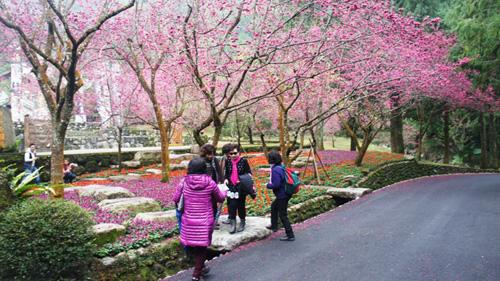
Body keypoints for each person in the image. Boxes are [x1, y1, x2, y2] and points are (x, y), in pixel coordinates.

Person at [173, 157, 227, 281]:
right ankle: (196, 275)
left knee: (193, 246)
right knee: (202, 248)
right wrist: (225, 192)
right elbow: (220, 198)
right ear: (204, 169)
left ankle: (200, 268)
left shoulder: (184, 182)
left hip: (188, 220)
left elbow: (175, 198)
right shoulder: (210, 182)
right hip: (205, 221)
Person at [266, 150, 295, 241]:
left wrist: (268, 185)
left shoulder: (275, 169)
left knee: (283, 214)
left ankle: (290, 235)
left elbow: (276, 184)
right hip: (286, 193)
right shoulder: (281, 166)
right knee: (274, 207)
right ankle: (274, 226)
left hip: (282, 195)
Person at [224, 144, 252, 234]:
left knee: (240, 205)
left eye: (235, 153)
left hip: (241, 187)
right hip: (231, 186)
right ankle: (233, 224)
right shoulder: (228, 161)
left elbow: (248, 173)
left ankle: (242, 222)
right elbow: (227, 173)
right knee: (231, 205)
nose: (232, 155)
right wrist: (226, 179)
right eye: (231, 154)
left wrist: (242, 180)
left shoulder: (243, 161)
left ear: (239, 152)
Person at [200, 144, 223, 229]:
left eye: (212, 154)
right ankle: (207, 222)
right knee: (206, 206)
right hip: (204, 187)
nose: (210, 156)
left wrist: (221, 182)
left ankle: (213, 222)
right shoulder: (201, 161)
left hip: (214, 185)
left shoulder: (215, 160)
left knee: (214, 205)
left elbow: (219, 171)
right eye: (208, 154)